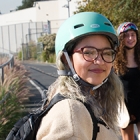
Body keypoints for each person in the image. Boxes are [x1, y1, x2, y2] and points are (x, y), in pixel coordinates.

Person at [36, 12, 129, 140]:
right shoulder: (70, 114)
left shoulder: (91, 100)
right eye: (88, 52)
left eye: (107, 53)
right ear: (65, 59)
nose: (100, 61)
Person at [114, 22, 140, 140]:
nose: (130, 38)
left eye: (133, 35)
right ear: (121, 38)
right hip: (125, 109)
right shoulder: (115, 61)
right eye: (126, 35)